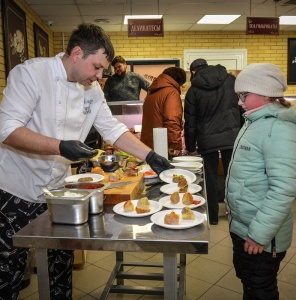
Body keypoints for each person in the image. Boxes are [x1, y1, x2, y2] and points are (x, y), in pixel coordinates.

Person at [0, 23, 172, 300]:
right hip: (15, 188)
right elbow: (7, 129)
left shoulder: (91, 89)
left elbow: (113, 130)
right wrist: (60, 146)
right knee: (10, 268)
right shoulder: (31, 74)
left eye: (103, 69)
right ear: (77, 53)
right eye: (96, 67)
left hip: (56, 190)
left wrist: (150, 156)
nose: (100, 75)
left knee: (60, 261)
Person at [225, 63, 296, 300]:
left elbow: (283, 190)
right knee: (249, 282)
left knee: (260, 289)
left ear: (266, 93)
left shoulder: (279, 129)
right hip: (244, 224)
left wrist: (259, 234)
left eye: (244, 95)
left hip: (261, 235)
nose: (240, 102)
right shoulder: (256, 122)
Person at [184, 58, 241, 225]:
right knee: (233, 175)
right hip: (232, 136)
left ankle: (213, 217)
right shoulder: (231, 80)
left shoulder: (193, 90)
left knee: (210, 177)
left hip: (206, 139)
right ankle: (234, 214)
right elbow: (240, 107)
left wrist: (190, 145)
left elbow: (190, 121)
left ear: (193, 72)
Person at [140, 67, 186, 156]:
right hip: (163, 147)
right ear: (178, 82)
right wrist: (175, 146)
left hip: (148, 146)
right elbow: (172, 120)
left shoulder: (151, 93)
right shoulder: (171, 92)